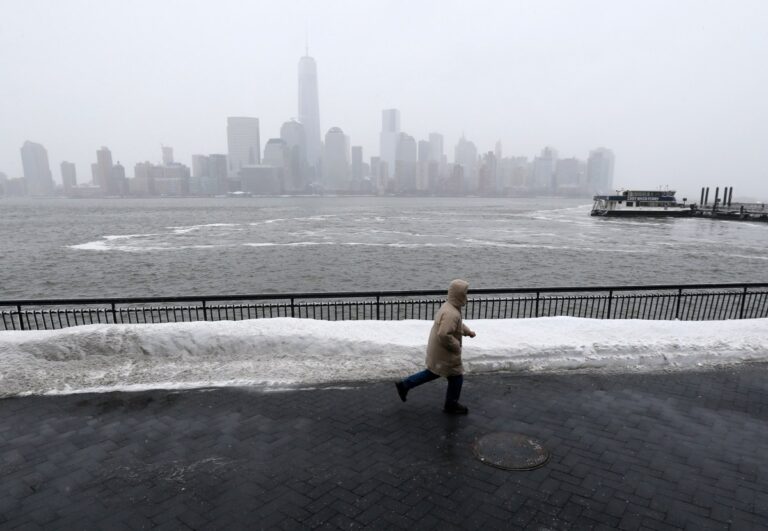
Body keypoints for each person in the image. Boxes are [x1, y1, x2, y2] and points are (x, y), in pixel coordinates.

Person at [395, 279, 476, 414]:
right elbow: (444, 334)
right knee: (456, 377)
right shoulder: (452, 313)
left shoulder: (449, 307)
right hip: (446, 352)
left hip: (439, 350)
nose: (466, 296)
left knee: (433, 372)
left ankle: (405, 385)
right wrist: (456, 346)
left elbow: (456, 326)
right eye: (465, 293)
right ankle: (451, 405)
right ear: (459, 294)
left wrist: (467, 332)